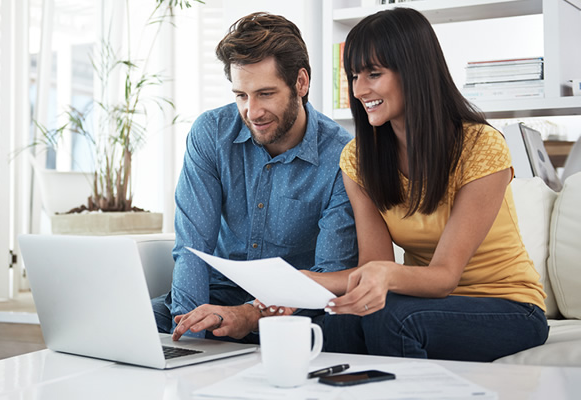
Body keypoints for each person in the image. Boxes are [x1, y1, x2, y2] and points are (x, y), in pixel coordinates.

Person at [265, 7, 548, 361]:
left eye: (374, 74)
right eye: (354, 76)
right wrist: (303, 282)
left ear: (415, 72)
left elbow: (444, 276)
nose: (359, 89)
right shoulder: (358, 159)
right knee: (334, 322)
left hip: (507, 306)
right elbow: (374, 265)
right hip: (426, 302)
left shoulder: (481, 145)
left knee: (391, 320)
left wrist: (378, 276)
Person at [151, 12, 358, 342]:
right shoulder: (211, 134)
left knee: (340, 330)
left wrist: (249, 314)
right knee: (131, 325)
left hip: (292, 311)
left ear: (301, 83)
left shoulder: (341, 156)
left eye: (265, 93)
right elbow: (192, 248)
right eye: (241, 95)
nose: (252, 112)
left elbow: (328, 272)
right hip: (214, 298)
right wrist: (189, 334)